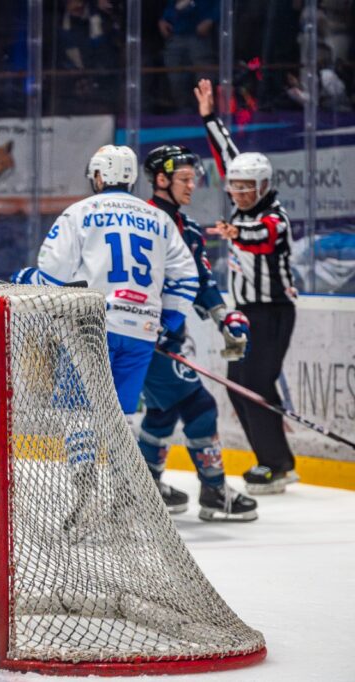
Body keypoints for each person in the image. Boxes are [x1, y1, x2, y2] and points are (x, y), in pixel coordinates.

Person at [13, 145, 199, 417]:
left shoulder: (80, 212)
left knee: (77, 414)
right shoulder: (160, 220)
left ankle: (82, 448)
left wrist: (26, 278)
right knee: (122, 420)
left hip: (92, 327)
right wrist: (167, 323)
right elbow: (186, 278)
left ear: (99, 176)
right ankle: (122, 448)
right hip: (141, 331)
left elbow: (53, 274)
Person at [137, 144, 257, 521]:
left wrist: (225, 318)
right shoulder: (140, 222)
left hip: (163, 339)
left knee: (162, 410)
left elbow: (202, 282)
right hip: (143, 338)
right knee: (198, 406)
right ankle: (214, 490)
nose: (192, 186)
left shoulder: (186, 228)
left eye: (193, 178)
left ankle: (146, 489)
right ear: (161, 179)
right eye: (184, 179)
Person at [197, 78, 299, 495]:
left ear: (263, 187)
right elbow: (228, 155)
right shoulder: (243, 203)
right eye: (234, 187)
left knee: (256, 383)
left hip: (272, 313)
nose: (238, 193)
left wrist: (233, 232)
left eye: (246, 188)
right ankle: (272, 460)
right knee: (238, 383)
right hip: (244, 314)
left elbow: (263, 237)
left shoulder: (274, 217)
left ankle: (277, 465)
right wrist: (209, 117)